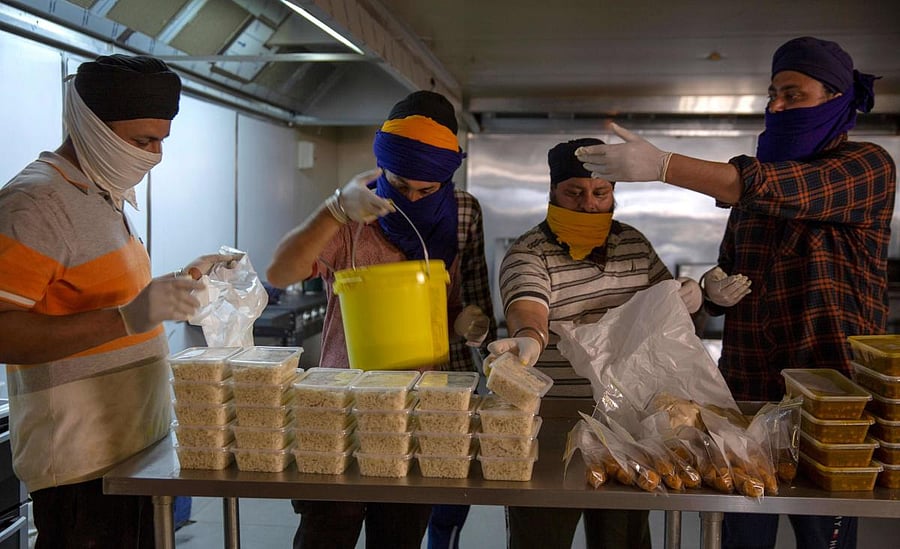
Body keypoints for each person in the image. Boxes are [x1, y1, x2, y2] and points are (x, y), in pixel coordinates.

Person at [576, 36, 896, 549]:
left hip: (832, 403)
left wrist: (665, 166)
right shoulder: (750, 195)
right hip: (748, 395)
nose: (777, 106)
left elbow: (776, 187)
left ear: (836, 99)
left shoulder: (867, 166)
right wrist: (708, 292)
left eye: (793, 94)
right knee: (742, 531)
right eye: (773, 94)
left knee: (825, 535)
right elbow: (730, 268)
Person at [0, 54, 239, 548]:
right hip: (80, 469)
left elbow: (104, 297)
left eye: (161, 141)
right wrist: (129, 317)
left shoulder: (103, 193)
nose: (155, 156)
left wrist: (184, 280)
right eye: (142, 141)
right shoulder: (35, 203)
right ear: (92, 126)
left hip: (132, 454)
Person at [267, 90, 496, 549]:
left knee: (399, 533)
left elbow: (469, 303)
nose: (411, 197)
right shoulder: (354, 209)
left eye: (426, 190)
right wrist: (334, 209)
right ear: (382, 167)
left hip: (418, 404)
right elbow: (280, 272)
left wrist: (469, 323)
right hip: (343, 400)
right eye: (400, 184)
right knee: (327, 529)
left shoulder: (463, 213)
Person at [487, 138, 703, 549]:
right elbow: (528, 308)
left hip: (626, 426)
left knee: (622, 540)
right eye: (575, 192)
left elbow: (665, 312)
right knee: (542, 539)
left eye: (600, 193)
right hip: (551, 426)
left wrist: (696, 299)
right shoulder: (529, 252)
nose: (589, 204)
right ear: (553, 191)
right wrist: (529, 339)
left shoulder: (634, 245)